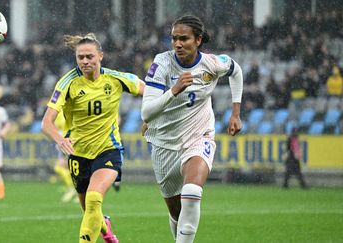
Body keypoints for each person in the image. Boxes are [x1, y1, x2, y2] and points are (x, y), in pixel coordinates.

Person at [141, 15, 243, 243]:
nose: (177, 44)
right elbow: (146, 113)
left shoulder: (212, 63)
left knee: (192, 191)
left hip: (199, 136)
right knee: (176, 212)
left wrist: (235, 113)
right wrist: (173, 90)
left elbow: (236, 71)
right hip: (163, 143)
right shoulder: (162, 64)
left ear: (198, 40)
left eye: (184, 39)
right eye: (174, 39)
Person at [41, 33, 145, 243]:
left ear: (101, 56)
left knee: (94, 198)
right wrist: (60, 139)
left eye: (90, 56)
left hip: (108, 149)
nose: (85, 61)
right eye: (81, 58)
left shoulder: (116, 79)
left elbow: (151, 93)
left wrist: (150, 118)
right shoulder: (67, 83)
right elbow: (46, 123)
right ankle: (105, 228)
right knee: (89, 210)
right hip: (78, 153)